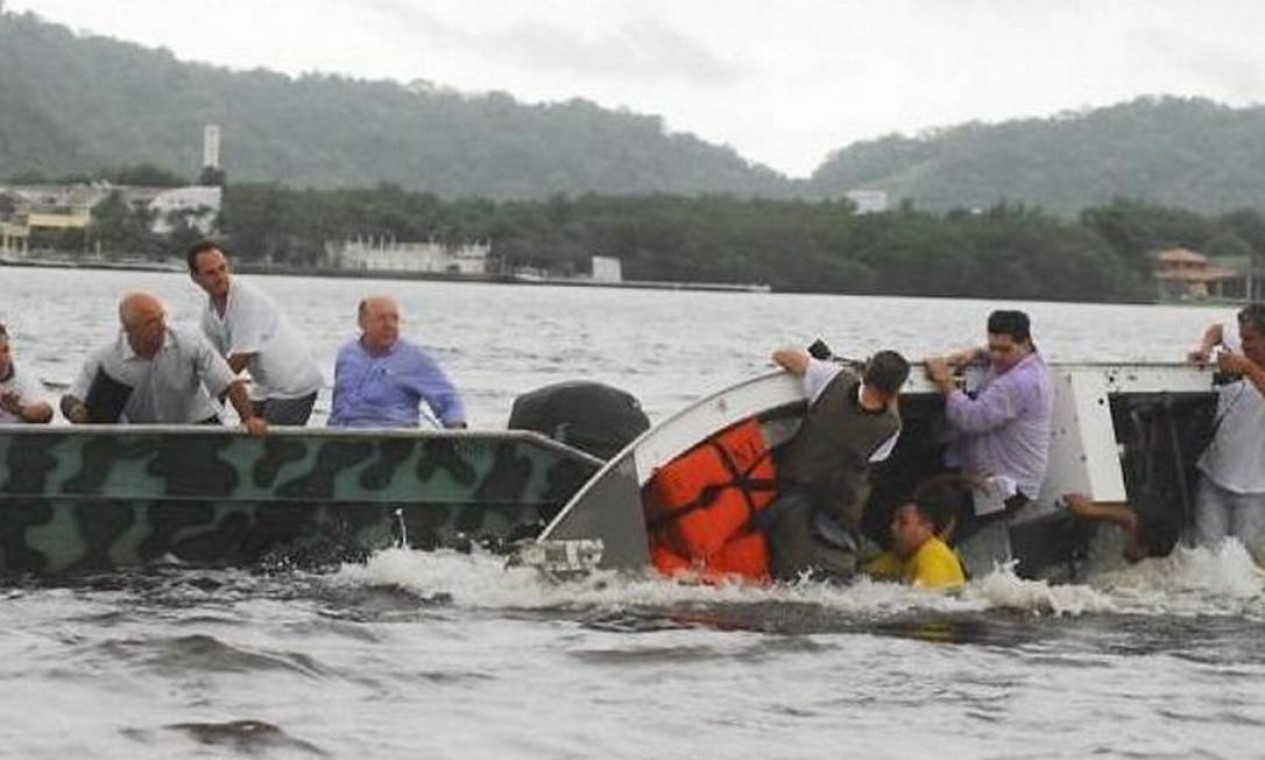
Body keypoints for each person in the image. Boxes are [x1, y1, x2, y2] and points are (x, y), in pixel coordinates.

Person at [758, 345, 910, 582]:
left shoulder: (832, 379)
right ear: (895, 391)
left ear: (867, 372)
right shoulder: (891, 429)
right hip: (837, 525)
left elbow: (781, 355)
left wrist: (837, 368)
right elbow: (877, 449)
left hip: (788, 506)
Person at [924, 310, 1055, 538]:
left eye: (1004, 349)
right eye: (992, 347)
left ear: (1025, 342)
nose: (996, 356)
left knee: (941, 536)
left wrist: (944, 380)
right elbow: (995, 352)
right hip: (999, 476)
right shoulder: (1030, 362)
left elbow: (970, 419)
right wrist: (976, 353)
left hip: (1006, 486)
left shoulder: (1020, 382)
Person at [60, 291, 267, 435]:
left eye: (161, 318)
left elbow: (230, 383)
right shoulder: (106, 357)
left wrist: (248, 419)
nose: (160, 326)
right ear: (128, 329)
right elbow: (70, 399)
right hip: (142, 432)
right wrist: (76, 411)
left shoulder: (189, 341)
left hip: (197, 424)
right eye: (150, 323)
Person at [188, 240, 323, 425]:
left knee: (263, 444)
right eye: (211, 272)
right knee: (244, 434)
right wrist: (198, 398)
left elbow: (240, 358)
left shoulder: (246, 299)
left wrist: (209, 394)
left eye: (222, 268)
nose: (220, 277)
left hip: (295, 385)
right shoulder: (208, 312)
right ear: (195, 278)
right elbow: (211, 362)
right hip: (264, 386)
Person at [1185, 303, 1265, 561]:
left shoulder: (1246, 365)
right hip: (1214, 476)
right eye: (1242, 339)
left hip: (1256, 489)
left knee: (1248, 565)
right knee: (1204, 559)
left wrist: (1247, 369)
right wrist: (1205, 350)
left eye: (1250, 340)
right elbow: (1217, 330)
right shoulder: (1241, 346)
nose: (1244, 346)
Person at [328, 295, 467, 429]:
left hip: (393, 443)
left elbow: (448, 400)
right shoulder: (347, 354)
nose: (389, 325)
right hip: (338, 439)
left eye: (394, 319)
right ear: (362, 322)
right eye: (381, 318)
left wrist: (457, 433)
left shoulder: (414, 359)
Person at [863, 485, 966, 589]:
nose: (893, 527)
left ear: (927, 529)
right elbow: (861, 578)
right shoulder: (897, 559)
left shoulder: (933, 555)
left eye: (903, 522)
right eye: (893, 521)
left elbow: (929, 600)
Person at [1062, 493, 1179, 564]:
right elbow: (1129, 518)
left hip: (1157, 517)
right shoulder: (1134, 522)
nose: (1125, 555)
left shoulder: (1155, 545)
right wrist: (1087, 510)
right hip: (1149, 513)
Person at [0, 323, 53, 424]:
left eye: (5, 350)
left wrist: (19, 409)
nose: (3, 357)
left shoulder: (23, 375)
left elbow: (47, 412)